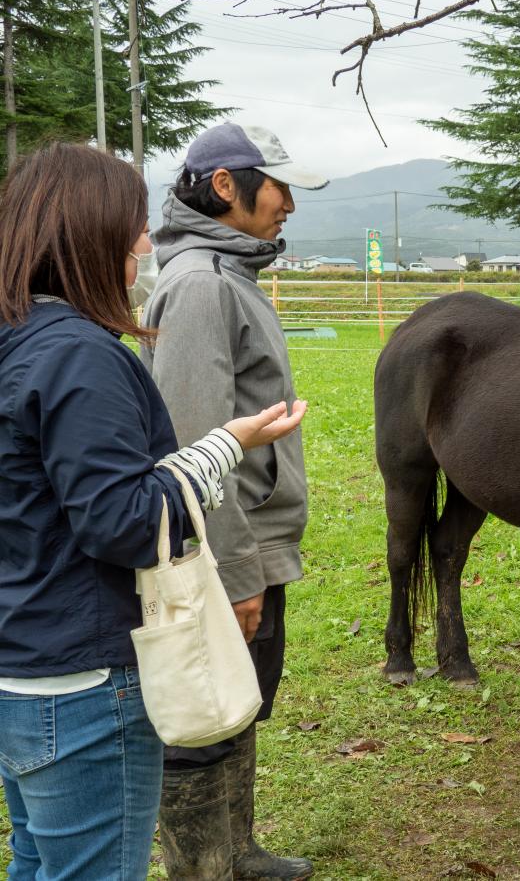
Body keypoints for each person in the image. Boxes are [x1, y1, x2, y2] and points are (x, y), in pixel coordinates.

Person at [0, 143, 305, 880]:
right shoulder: (79, 353)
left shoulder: (18, 340)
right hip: (82, 685)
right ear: (88, 233)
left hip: (25, 666)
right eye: (132, 225)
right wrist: (225, 445)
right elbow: (124, 523)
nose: (144, 242)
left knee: (43, 862)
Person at [140, 122, 328, 881]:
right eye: (278, 185)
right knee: (202, 719)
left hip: (250, 542)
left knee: (239, 699)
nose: (289, 203)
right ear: (227, 186)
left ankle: (237, 852)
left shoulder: (227, 276)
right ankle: (202, 870)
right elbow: (193, 444)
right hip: (225, 550)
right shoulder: (201, 287)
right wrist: (235, 569)